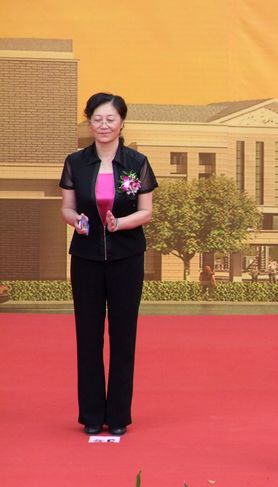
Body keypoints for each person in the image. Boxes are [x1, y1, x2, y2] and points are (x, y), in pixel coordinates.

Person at [59, 92, 158, 436]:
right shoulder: (75, 162)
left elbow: (146, 212)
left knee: (123, 336)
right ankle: (90, 415)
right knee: (87, 336)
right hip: (86, 258)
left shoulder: (137, 162)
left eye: (110, 119)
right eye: (97, 119)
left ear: (122, 123)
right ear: (89, 123)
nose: (103, 125)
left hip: (126, 258)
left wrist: (121, 223)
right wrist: (76, 221)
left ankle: (117, 415)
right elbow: (67, 207)